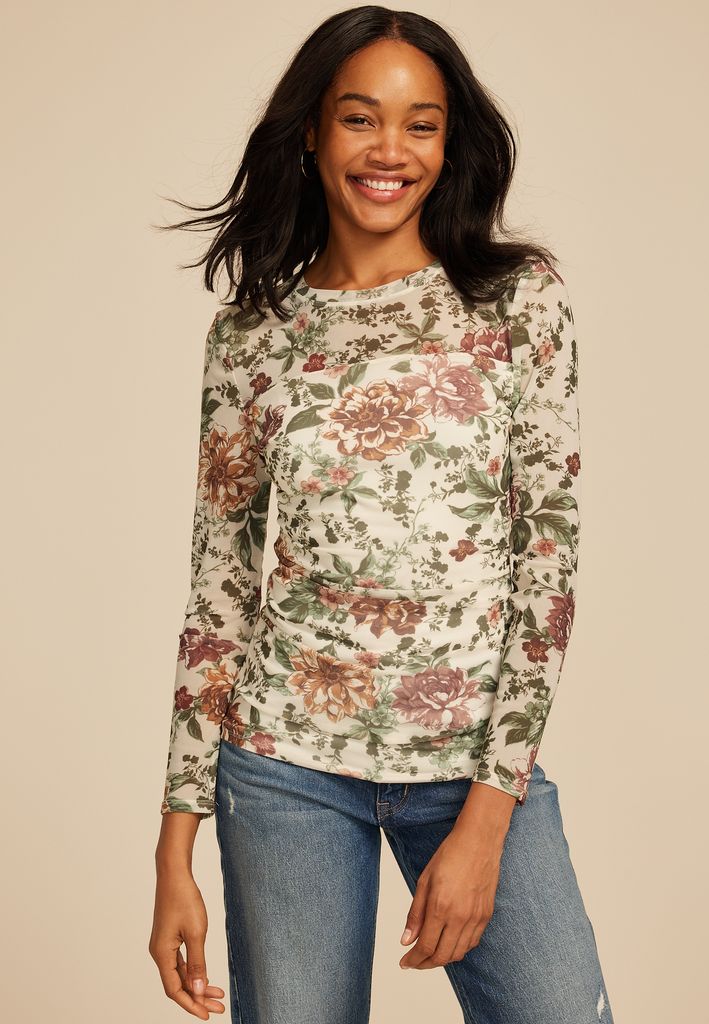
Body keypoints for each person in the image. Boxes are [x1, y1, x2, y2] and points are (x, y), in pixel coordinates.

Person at [149, 7, 615, 1023]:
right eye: (360, 118)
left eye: (420, 124)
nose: (389, 150)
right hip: (282, 768)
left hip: (470, 762)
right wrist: (175, 845)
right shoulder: (253, 332)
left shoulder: (516, 302)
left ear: (449, 147)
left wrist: (487, 817)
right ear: (311, 133)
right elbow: (219, 589)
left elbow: (546, 566)